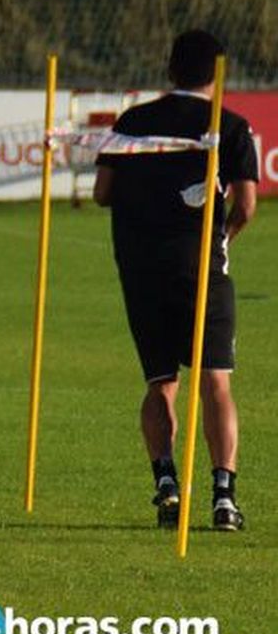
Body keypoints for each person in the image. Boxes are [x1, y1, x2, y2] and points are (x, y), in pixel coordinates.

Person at [93, 29, 258, 532]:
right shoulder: (227, 126)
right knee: (216, 383)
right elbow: (247, 205)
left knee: (160, 382)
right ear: (217, 73)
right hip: (200, 267)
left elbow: (102, 192)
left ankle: (166, 481)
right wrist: (222, 236)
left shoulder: (132, 121)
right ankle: (223, 497)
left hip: (141, 267)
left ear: (170, 70)